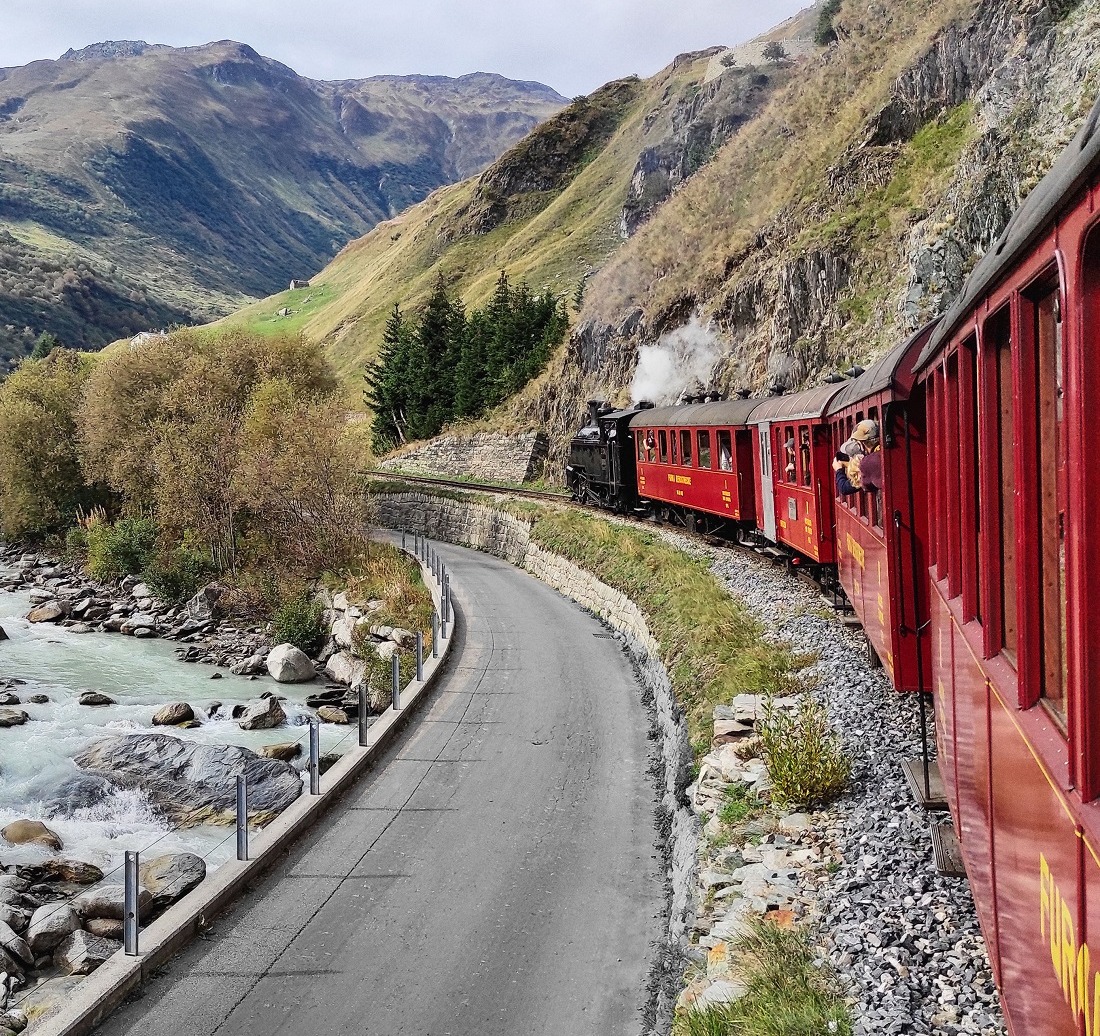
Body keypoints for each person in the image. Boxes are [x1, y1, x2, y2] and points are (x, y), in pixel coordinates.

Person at [833, 419, 881, 496]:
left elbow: (846, 488)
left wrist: (840, 470)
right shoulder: (884, 453)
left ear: (862, 444)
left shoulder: (868, 463)